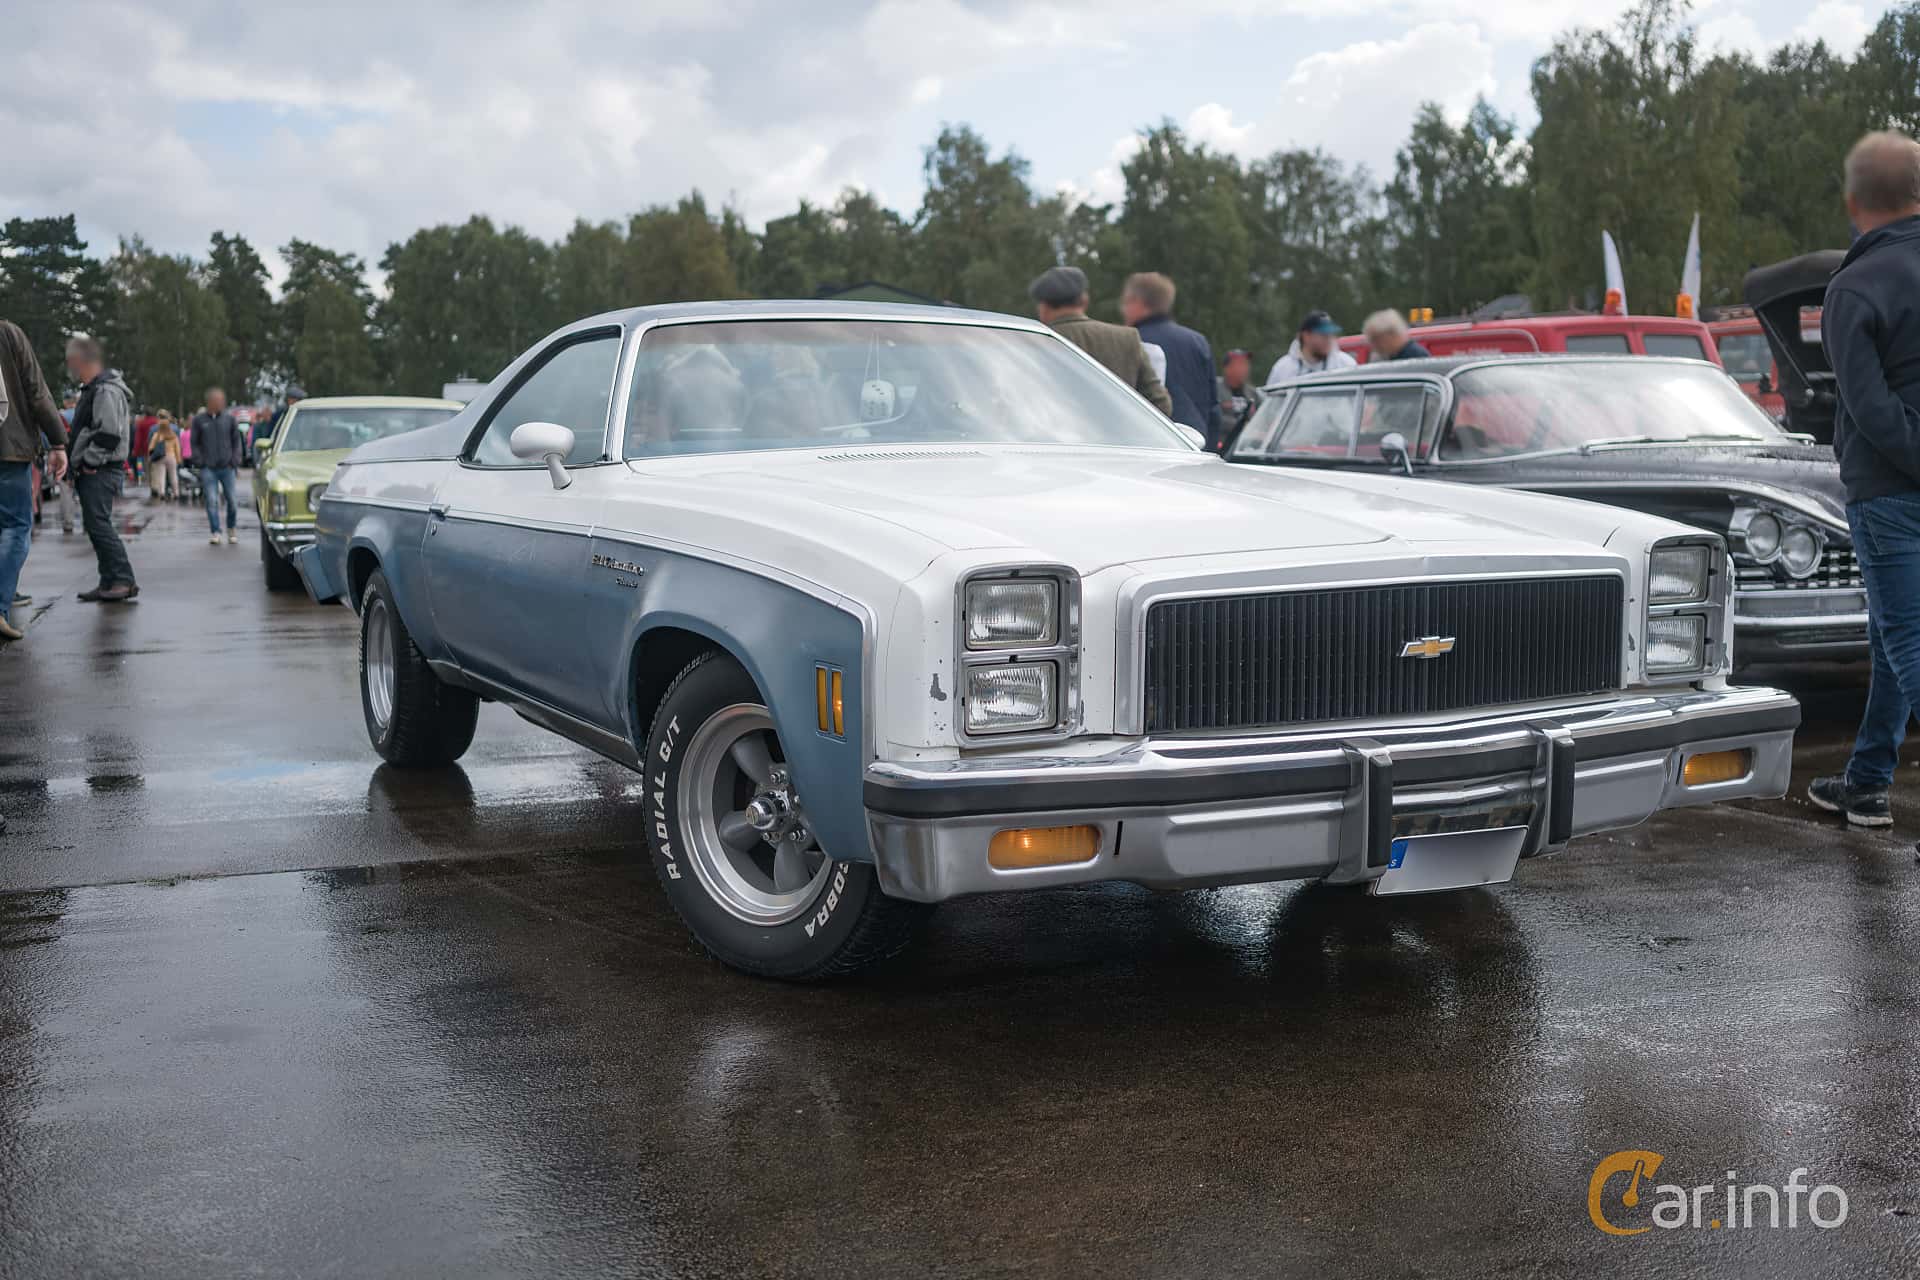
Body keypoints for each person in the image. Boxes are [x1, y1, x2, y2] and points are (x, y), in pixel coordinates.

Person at [1806, 132, 1920, 827]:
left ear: (1853, 204)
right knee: (1890, 639)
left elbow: (1868, 404)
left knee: (1907, 640)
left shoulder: (1851, 288)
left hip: (1887, 492)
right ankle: (1868, 780)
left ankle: (1869, 779)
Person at [0, 318, 69, 641]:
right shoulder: (9, 334)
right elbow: (36, 392)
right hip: (9, 450)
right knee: (15, 528)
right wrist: (57, 442)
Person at [1027, 266, 1173, 416]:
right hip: (1121, 437)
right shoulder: (1127, 339)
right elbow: (1160, 404)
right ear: (1084, 300)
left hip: (1056, 437)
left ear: (1043, 306)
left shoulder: (1033, 342)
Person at [63, 335, 138, 602]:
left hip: (101, 469)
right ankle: (109, 580)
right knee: (96, 526)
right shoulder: (98, 388)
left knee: (99, 525)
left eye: (72, 362)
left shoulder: (105, 390)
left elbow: (108, 434)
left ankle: (122, 579)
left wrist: (89, 462)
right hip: (99, 468)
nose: (70, 368)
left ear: (83, 361)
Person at [1120, 272, 1221, 445]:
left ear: (1137, 302)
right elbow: (1213, 406)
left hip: (1151, 444)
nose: (1123, 309)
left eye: (1125, 302)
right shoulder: (1197, 341)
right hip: (1196, 443)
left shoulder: (1131, 341)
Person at [190, 387, 244, 544]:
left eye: (223, 400)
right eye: (218, 400)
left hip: (227, 468)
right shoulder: (199, 421)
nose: (221, 403)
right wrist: (200, 462)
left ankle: (231, 528)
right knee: (211, 500)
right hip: (208, 469)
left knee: (232, 501)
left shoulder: (229, 419)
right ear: (210, 402)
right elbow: (194, 443)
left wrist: (234, 461)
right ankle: (215, 531)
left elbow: (236, 442)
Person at [1267, 311, 1358, 384]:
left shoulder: (1346, 365)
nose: (1329, 340)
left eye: (1331, 334)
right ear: (1306, 336)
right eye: (1324, 335)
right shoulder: (1282, 368)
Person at [1215, 349, 1265, 452]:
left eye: (1246, 364)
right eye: (1240, 364)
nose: (1245, 368)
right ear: (1227, 368)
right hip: (1222, 445)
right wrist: (1244, 426)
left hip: (1248, 447)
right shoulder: (1215, 389)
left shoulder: (1253, 393)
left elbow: (1264, 416)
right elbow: (1214, 417)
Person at [1362, 309, 1432, 361]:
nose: (1373, 345)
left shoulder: (1417, 357)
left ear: (1391, 334)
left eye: (1375, 339)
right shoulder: (1384, 357)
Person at [258, 383, 305, 449]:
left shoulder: (306, 416)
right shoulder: (280, 415)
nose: (293, 401)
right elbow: (269, 436)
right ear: (287, 399)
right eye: (291, 398)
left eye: (296, 399)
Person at [147, 409, 181, 501]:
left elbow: (150, 443)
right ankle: (176, 493)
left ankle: (162, 493)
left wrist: (150, 455)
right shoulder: (175, 428)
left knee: (161, 475)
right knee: (173, 475)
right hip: (172, 455)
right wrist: (179, 458)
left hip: (159, 456)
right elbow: (178, 444)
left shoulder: (153, 428)